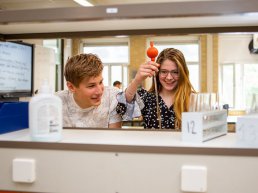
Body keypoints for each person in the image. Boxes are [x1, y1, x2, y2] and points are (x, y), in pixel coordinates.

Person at [116, 48, 195, 130]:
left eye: (175, 72)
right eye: (164, 72)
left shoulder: (193, 100)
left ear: (182, 73)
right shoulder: (147, 97)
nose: (169, 77)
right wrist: (136, 80)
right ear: (157, 73)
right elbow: (123, 111)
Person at [56, 53, 122, 128]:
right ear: (71, 87)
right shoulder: (56, 102)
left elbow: (113, 137)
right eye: (91, 86)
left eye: (100, 82)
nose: (100, 91)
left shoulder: (113, 96)